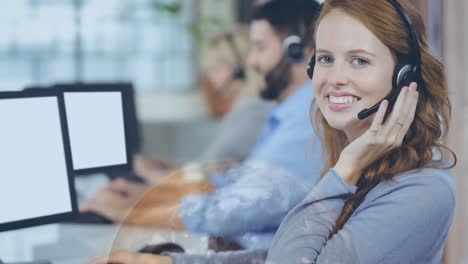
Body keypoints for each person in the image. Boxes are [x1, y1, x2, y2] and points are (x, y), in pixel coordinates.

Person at [89, 0, 457, 263]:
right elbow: (285, 253)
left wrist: (343, 171)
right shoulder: (362, 169)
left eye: (359, 60)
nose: (335, 78)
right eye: (326, 58)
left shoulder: (423, 189)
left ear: (405, 77)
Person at [83, 0, 323, 250]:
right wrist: (147, 199)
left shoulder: (305, 120)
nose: (251, 62)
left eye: (260, 48)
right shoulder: (285, 116)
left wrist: (131, 212)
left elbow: (230, 210)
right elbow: (230, 185)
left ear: (299, 51)